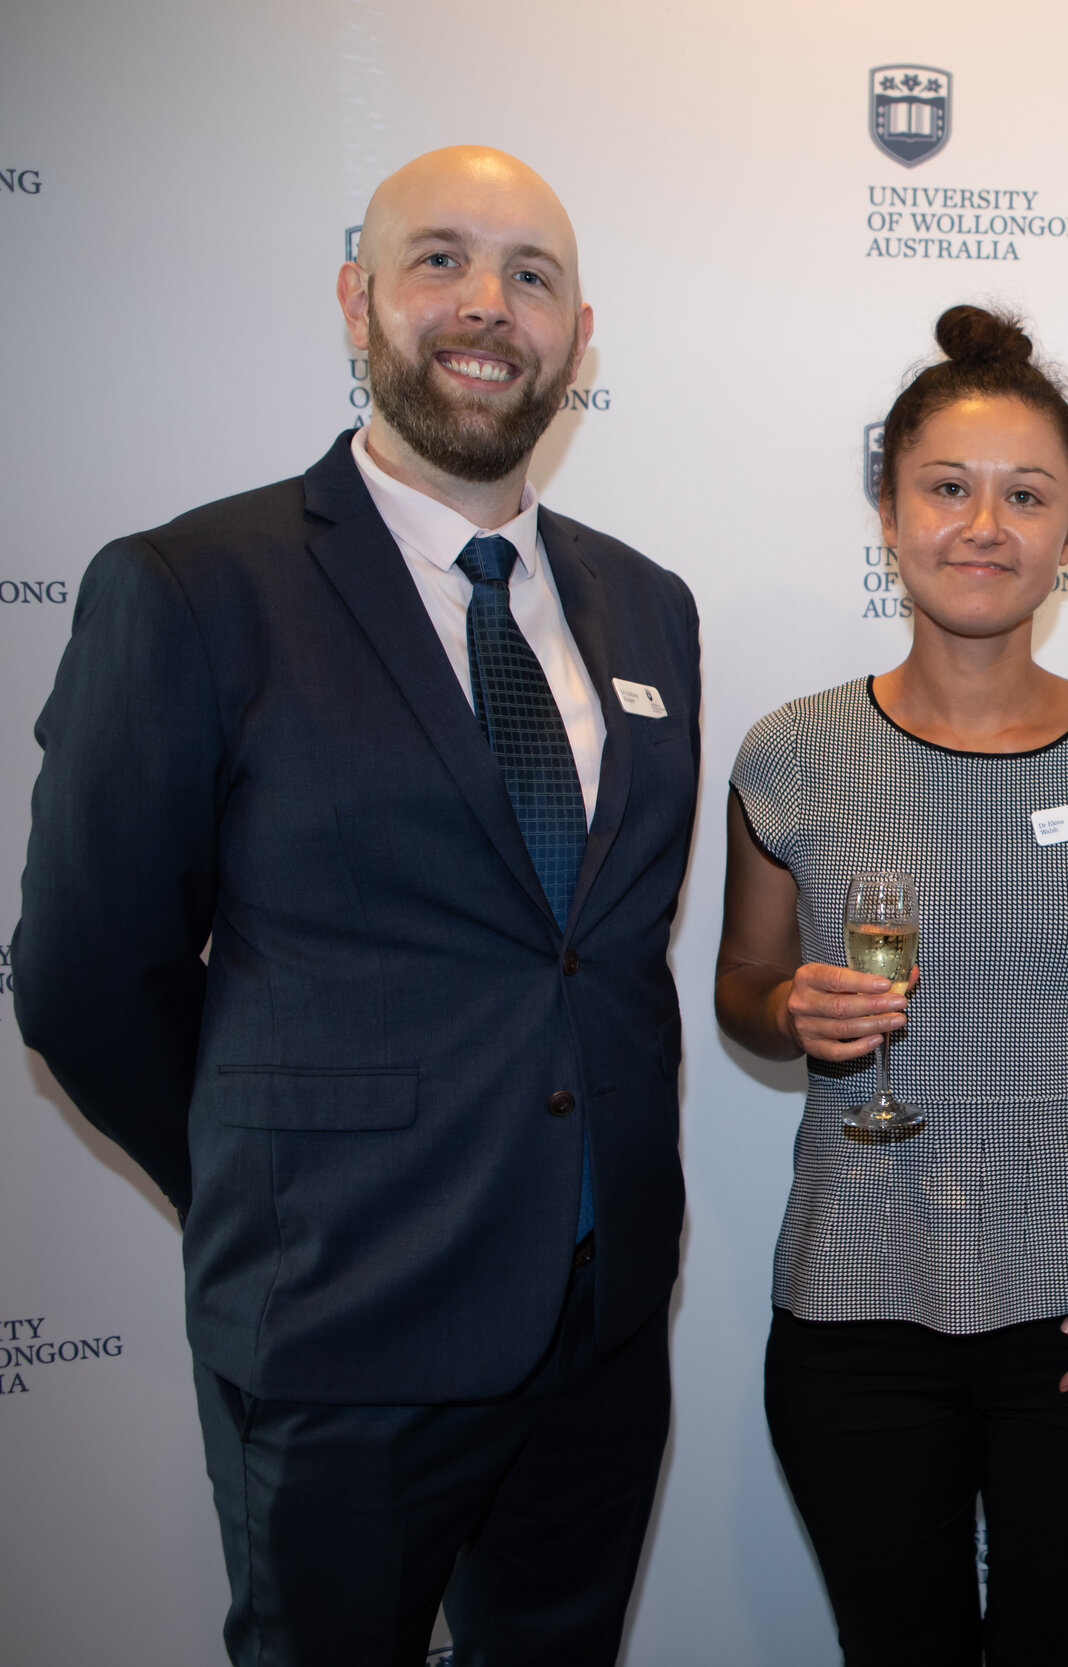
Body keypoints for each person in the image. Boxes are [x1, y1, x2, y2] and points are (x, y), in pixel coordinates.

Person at [14, 147, 701, 1663]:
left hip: (596, 1323)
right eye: (439, 260)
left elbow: (592, 953)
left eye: (533, 276)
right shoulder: (195, 586)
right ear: (356, 301)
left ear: (580, 337)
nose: (487, 307)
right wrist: (277, 1181)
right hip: (342, 1321)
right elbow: (80, 976)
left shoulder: (648, 605)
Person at [714, 305, 1068, 1667]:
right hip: (857, 1294)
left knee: (1062, 1649)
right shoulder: (792, 752)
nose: (984, 526)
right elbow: (742, 989)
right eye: (947, 488)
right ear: (888, 509)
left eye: (1025, 496)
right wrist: (788, 1012)